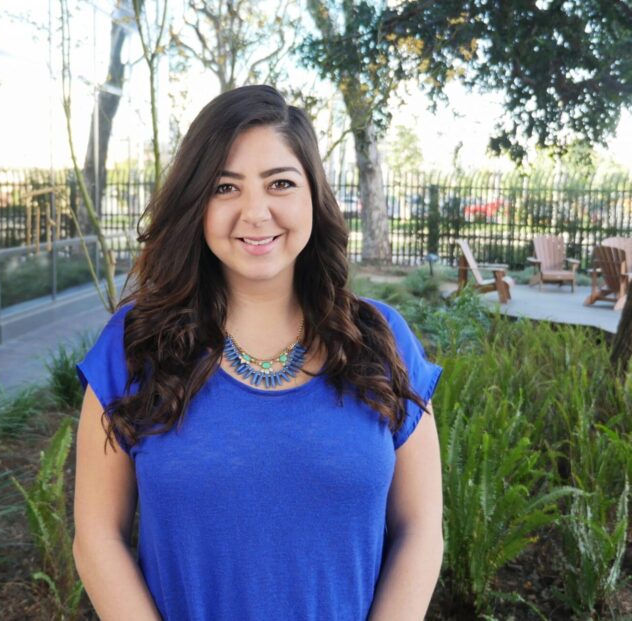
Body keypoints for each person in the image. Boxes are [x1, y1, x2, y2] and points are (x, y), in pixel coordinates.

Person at [73, 85, 443, 621]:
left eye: (280, 183)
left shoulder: (382, 341)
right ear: (197, 203)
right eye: (226, 187)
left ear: (313, 196)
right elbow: (97, 537)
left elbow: (421, 529)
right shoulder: (133, 346)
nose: (255, 212)